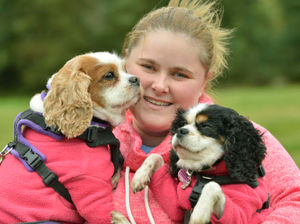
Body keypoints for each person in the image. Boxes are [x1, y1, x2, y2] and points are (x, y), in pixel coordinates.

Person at [112, 0, 300, 223]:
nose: (160, 86)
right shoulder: (91, 138)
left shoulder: (240, 135)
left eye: (180, 74)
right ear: (124, 64)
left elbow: (295, 201)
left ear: (205, 81)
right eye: (148, 67)